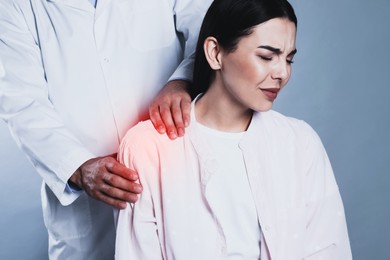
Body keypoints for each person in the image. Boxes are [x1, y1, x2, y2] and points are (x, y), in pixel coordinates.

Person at [115, 0, 353, 259]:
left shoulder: (300, 144)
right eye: (266, 56)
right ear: (215, 53)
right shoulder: (147, 149)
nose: (282, 73)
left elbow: (329, 250)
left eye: (289, 59)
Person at [0, 0, 212, 259]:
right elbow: (22, 101)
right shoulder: (14, 6)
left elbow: (211, 28)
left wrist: (183, 79)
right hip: (87, 221)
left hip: (174, 172)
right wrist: (77, 167)